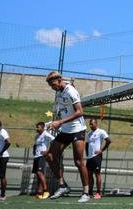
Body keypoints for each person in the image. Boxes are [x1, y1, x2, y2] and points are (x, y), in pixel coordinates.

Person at [45, 71, 90, 201]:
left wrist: (60, 122)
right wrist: (56, 122)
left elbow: (80, 112)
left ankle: (86, 192)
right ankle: (62, 185)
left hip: (77, 129)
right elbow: (65, 111)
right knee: (50, 155)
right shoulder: (59, 92)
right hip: (65, 130)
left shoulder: (71, 91)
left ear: (59, 80)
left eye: (53, 85)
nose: (52, 88)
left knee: (78, 161)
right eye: (50, 86)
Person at [84, 117, 110, 200]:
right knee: (89, 175)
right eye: (90, 124)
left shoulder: (101, 132)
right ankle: (90, 192)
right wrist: (87, 154)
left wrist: (101, 150)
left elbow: (108, 141)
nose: (90, 126)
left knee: (97, 174)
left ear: (96, 123)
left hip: (97, 157)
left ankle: (98, 192)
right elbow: (86, 144)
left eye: (92, 124)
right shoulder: (89, 133)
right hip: (89, 158)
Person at [32, 121, 54, 198]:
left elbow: (53, 140)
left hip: (42, 156)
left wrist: (48, 151)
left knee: (40, 173)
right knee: (38, 174)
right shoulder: (37, 136)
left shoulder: (46, 134)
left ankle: (46, 191)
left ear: (42, 127)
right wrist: (34, 151)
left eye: (38, 127)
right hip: (36, 157)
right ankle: (39, 192)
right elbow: (35, 145)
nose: (36, 128)